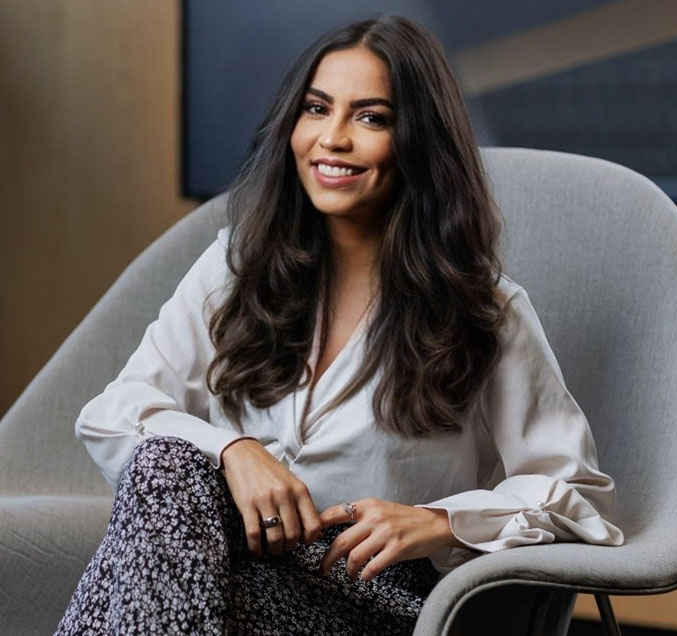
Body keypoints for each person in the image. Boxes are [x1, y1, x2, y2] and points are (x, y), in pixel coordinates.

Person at [55, 14, 623, 636]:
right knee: (167, 468)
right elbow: (113, 413)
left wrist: (438, 521)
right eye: (317, 109)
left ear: (418, 143)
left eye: (371, 117)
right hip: (218, 573)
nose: (333, 138)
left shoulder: (485, 311)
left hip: (371, 601)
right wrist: (234, 449)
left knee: (146, 542)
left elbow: (579, 496)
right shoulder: (235, 268)